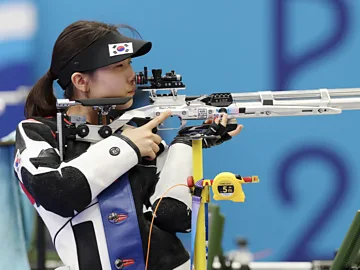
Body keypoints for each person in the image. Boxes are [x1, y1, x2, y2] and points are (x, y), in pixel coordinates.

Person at [13, 20, 243, 270]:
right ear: (81, 81)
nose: (132, 75)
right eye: (119, 66)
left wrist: (185, 145)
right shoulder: (39, 132)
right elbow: (56, 193)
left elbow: (174, 216)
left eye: (130, 63)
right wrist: (126, 147)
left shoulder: (135, 128)